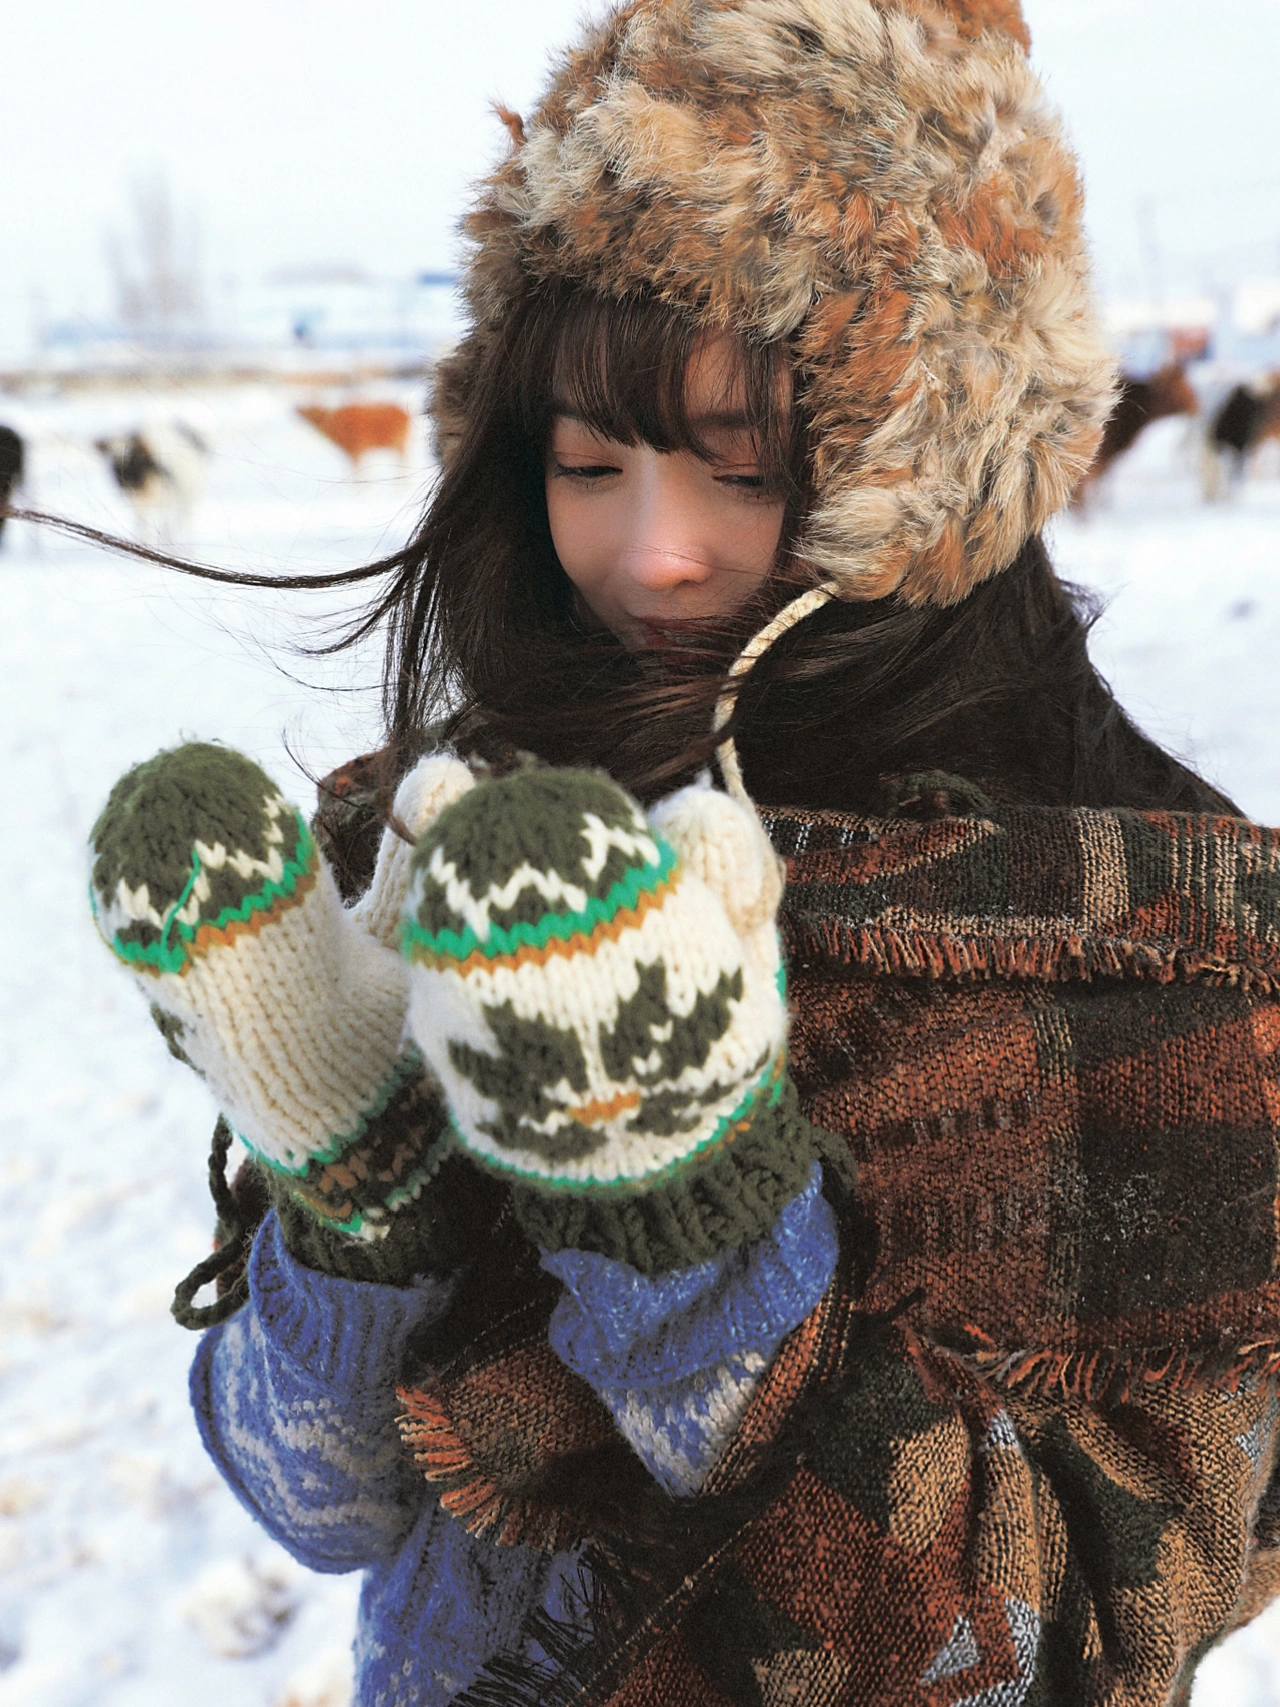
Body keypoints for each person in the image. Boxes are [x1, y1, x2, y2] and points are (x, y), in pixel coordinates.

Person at [84, 2, 1280, 1703]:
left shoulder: (1165, 959)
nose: (650, 552)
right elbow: (318, 1506)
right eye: (588, 461)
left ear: (932, 469)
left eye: (749, 470)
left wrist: (685, 1222)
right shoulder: (469, 849)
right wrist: (357, 1191)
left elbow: (1033, 1655)